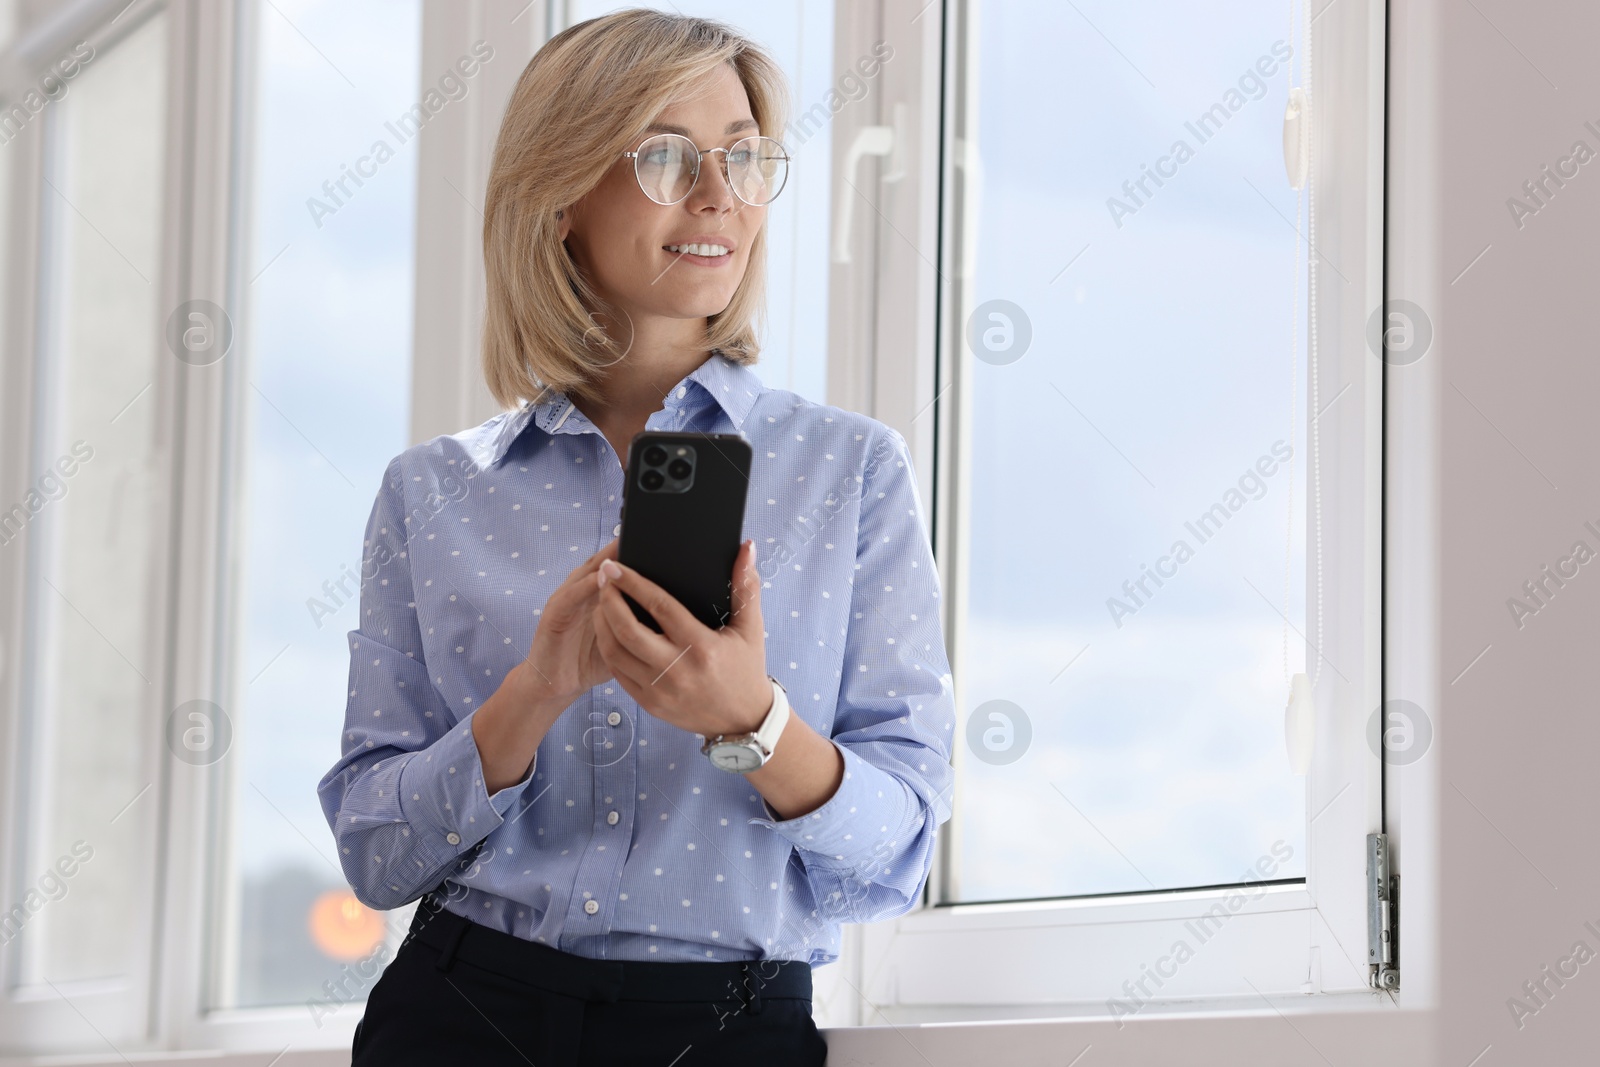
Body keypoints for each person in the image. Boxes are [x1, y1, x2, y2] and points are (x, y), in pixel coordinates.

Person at [317, 8, 955, 1064]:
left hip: (725, 1030)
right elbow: (377, 856)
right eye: (665, 155)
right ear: (559, 191)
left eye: (744, 158)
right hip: (462, 1013)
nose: (719, 195)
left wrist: (750, 717)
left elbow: (893, 855)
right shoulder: (427, 490)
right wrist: (533, 692)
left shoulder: (853, 471)